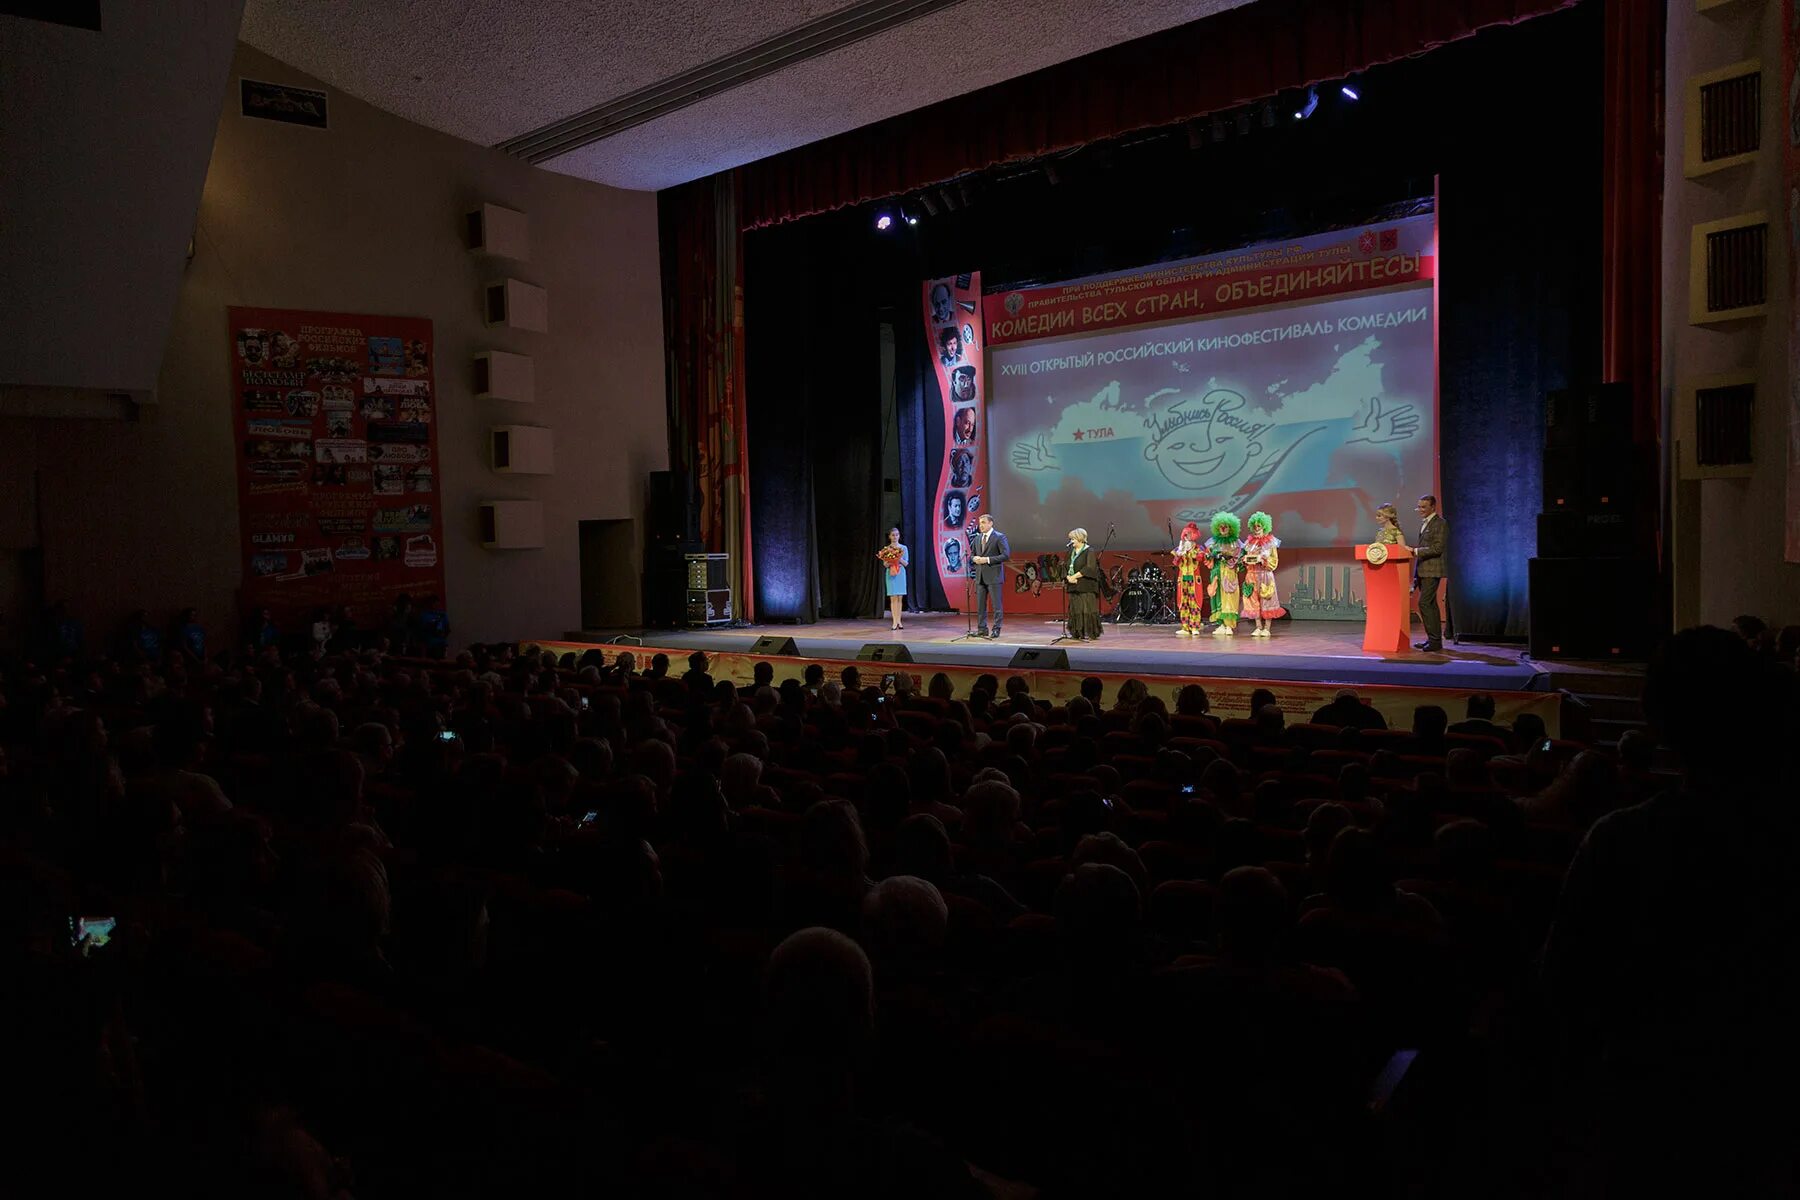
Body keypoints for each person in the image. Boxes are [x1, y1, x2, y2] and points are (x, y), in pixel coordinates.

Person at [1239, 511, 1285, 637]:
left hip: (1265, 575)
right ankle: (1258, 627)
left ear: (1264, 526)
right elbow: (1244, 558)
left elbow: (1274, 562)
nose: (1256, 528)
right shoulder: (1249, 543)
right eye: (1254, 526)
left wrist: (1264, 560)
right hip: (1252, 574)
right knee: (1252, 601)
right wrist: (1244, 560)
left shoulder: (1271, 543)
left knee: (1267, 600)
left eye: (1259, 526)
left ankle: (1267, 628)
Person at [1412, 494, 1447, 652]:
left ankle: (1434, 640)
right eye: (1419, 506)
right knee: (1430, 604)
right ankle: (1433, 640)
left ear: (1433, 507)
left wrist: (1415, 551)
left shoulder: (1440, 523)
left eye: (1423, 507)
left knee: (1424, 603)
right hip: (1423, 570)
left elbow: (1438, 548)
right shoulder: (1425, 523)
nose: (1420, 509)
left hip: (1432, 569)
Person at [1201, 511, 1244, 637]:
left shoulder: (1235, 542)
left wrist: (1229, 557)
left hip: (1229, 573)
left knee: (1229, 598)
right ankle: (1221, 624)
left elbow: (1239, 558)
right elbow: (1207, 557)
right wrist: (1211, 555)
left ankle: (1229, 625)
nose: (1223, 528)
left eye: (1226, 526)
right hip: (1216, 572)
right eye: (1221, 526)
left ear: (1231, 528)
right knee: (1217, 597)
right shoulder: (1213, 542)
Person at [970, 514, 1009, 639]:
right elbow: (972, 555)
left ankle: (996, 628)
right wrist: (973, 558)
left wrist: (986, 559)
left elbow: (1005, 555)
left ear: (990, 523)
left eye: (983, 522)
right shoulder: (977, 539)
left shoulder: (999, 537)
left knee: (996, 605)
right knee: (981, 605)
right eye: (980, 523)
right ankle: (982, 629)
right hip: (980, 577)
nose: (980, 525)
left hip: (994, 576)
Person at [1063, 528, 1102, 641]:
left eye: (1073, 539)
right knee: (1075, 609)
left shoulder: (1089, 551)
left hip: (1085, 585)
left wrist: (1075, 577)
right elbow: (1065, 565)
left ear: (1080, 539)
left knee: (1087, 609)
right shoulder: (1070, 551)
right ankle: (1077, 632)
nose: (1071, 541)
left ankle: (1088, 632)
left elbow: (1090, 567)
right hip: (1073, 585)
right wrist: (1068, 578)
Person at [1170, 522, 1205, 636]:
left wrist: (1190, 552)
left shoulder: (1198, 548)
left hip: (1194, 579)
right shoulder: (1179, 548)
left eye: (1190, 534)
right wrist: (1180, 553)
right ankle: (1185, 627)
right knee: (1183, 602)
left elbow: (1200, 557)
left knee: (1194, 602)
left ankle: (1195, 626)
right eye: (1186, 534)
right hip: (1183, 578)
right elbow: (1175, 562)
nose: (1187, 536)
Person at [877, 528, 909, 631]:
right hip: (891, 573)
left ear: (899, 536)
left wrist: (898, 558)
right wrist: (891, 561)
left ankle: (899, 620)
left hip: (900, 573)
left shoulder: (904, 548)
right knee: (893, 598)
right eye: (893, 535)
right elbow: (885, 564)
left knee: (900, 598)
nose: (895, 537)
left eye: (897, 535)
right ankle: (894, 621)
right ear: (890, 536)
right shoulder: (887, 549)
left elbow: (906, 563)